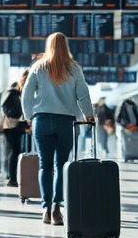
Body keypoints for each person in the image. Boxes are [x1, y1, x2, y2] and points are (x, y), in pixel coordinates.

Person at [21, 33, 93, 226]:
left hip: (42, 120)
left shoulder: (38, 66)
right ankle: (56, 208)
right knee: (61, 165)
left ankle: (45, 208)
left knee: (45, 165)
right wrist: (89, 116)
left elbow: (26, 95)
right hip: (66, 121)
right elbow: (83, 95)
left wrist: (28, 117)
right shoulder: (74, 68)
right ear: (65, 46)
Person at [0, 71, 29, 187]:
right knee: (15, 151)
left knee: (15, 151)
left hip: (13, 126)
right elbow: (15, 112)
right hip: (12, 126)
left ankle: (13, 177)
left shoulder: (14, 94)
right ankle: (12, 178)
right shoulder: (14, 94)